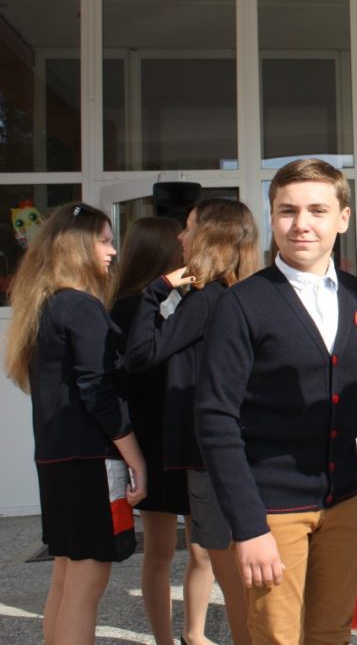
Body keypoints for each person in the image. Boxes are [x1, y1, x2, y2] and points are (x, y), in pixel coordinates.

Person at [194, 158, 357, 645]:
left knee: (331, 633)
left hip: (343, 503)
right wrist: (248, 526)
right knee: (277, 636)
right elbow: (215, 420)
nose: (301, 224)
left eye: (317, 210)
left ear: (343, 218)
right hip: (272, 511)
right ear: (271, 217)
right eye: (287, 210)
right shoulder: (242, 304)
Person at [4, 203, 147, 645]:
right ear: (77, 245)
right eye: (104, 240)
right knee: (85, 584)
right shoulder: (81, 307)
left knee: (66, 578)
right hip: (90, 462)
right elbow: (99, 392)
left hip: (57, 460)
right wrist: (136, 459)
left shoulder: (44, 306)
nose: (112, 252)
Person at [123, 200, 261, 645]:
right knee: (240, 573)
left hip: (209, 456)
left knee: (231, 573)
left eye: (189, 228)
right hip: (237, 451)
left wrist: (155, 291)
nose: (181, 238)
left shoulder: (207, 299)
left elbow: (141, 354)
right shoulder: (246, 294)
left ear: (209, 237)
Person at [110, 216, 217, 645]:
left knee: (201, 547)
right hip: (152, 441)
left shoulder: (191, 300)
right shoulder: (129, 307)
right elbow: (131, 372)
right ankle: (164, 639)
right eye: (178, 242)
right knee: (159, 550)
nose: (185, 246)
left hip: (185, 438)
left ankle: (194, 633)